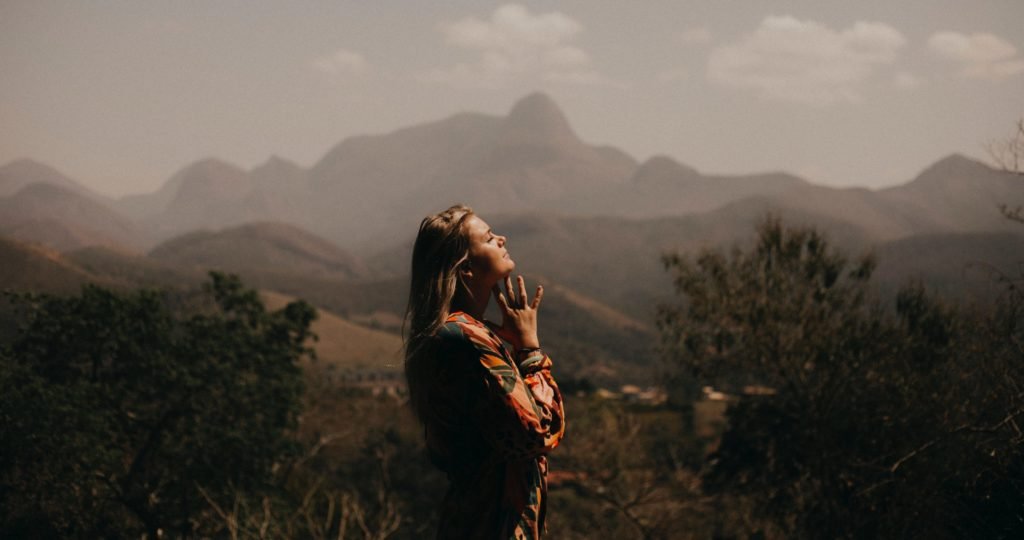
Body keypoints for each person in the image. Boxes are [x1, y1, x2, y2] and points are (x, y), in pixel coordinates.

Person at [404, 204, 566, 539]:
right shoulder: (463, 338)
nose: (502, 238)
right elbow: (538, 433)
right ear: (465, 269)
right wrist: (530, 350)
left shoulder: (462, 335)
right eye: (490, 238)